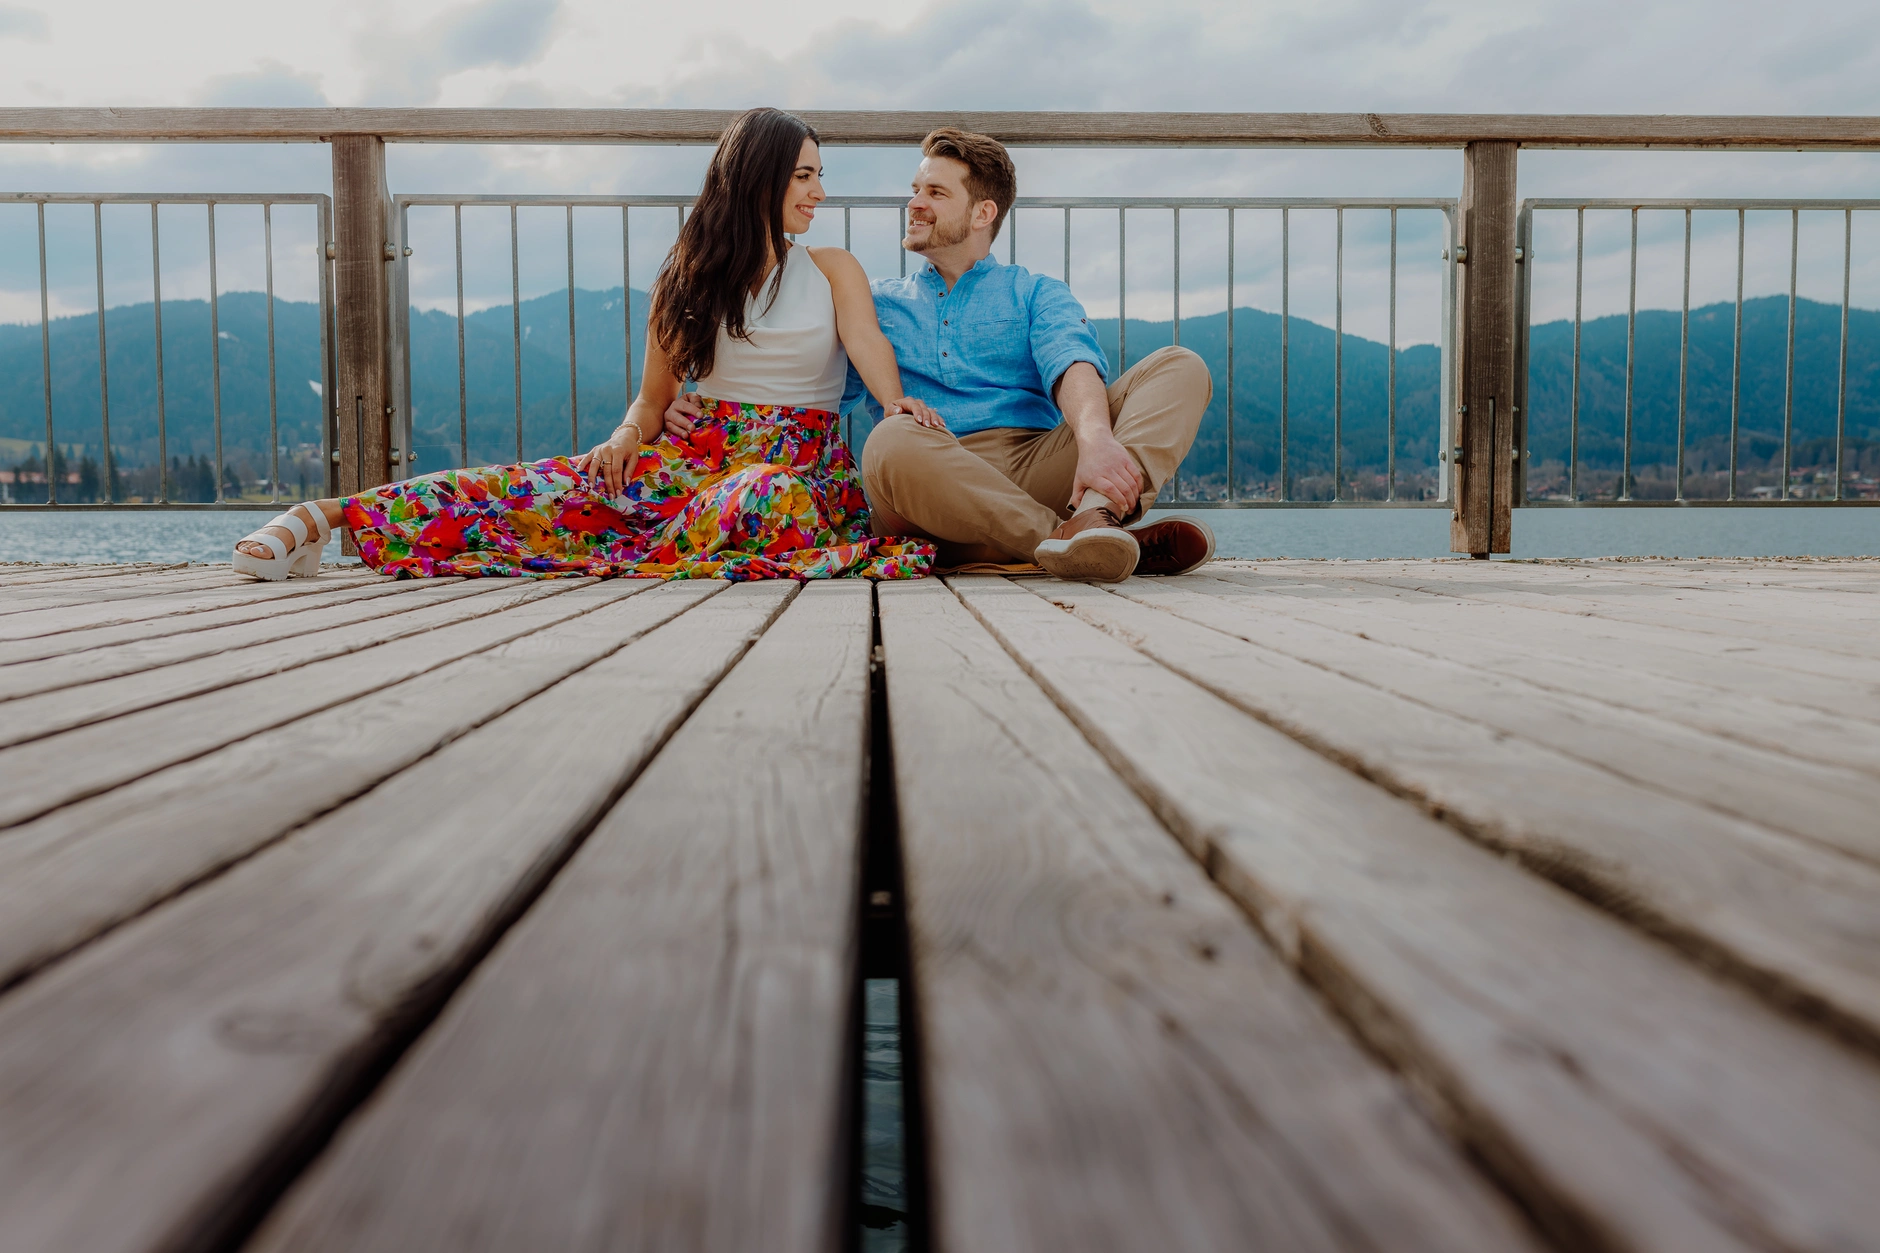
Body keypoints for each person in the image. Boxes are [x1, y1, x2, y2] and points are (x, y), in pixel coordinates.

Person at [231, 107, 937, 583]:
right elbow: (653, 398)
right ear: (759, 176)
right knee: (529, 488)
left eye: (821, 177)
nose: (818, 193)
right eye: (805, 175)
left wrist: (895, 402)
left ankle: (624, 546)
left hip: (793, 471)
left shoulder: (832, 267)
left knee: (770, 498)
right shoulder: (689, 275)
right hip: (694, 462)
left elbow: (866, 340)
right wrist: (627, 435)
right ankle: (322, 517)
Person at [666, 127, 1216, 583]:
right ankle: (1074, 537)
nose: (915, 203)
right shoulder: (874, 301)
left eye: (935, 193)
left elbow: (1071, 362)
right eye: (915, 188)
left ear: (982, 214)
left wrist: (1094, 443)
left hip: (1034, 463)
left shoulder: (1034, 291)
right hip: (927, 483)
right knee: (890, 435)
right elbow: (811, 385)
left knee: (1178, 367)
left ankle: (1091, 518)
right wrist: (704, 405)